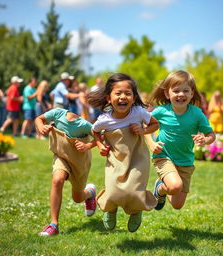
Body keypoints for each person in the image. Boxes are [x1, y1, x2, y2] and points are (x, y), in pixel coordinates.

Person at [88, 73, 158, 232]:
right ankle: (110, 210)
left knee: (134, 190)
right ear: (108, 98)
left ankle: (136, 211)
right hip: (116, 159)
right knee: (113, 190)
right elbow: (95, 131)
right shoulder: (104, 119)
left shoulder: (139, 112)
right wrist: (99, 145)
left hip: (137, 158)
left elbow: (155, 124)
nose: (123, 97)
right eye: (118, 93)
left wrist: (143, 130)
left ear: (134, 98)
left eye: (128, 93)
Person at [145, 70, 215, 212]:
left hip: (185, 161)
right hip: (163, 156)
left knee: (177, 205)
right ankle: (166, 185)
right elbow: (144, 126)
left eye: (185, 91)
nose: (181, 94)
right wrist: (151, 144)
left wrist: (205, 139)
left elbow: (211, 134)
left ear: (191, 93)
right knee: (175, 186)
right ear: (167, 93)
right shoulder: (161, 111)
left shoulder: (197, 114)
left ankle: (161, 188)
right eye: (176, 91)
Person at [35, 107, 97, 236]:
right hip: (61, 156)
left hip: (80, 163)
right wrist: (41, 127)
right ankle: (53, 224)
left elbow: (100, 137)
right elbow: (39, 119)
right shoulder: (58, 112)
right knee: (57, 180)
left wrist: (87, 146)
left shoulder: (84, 124)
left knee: (77, 198)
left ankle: (90, 193)